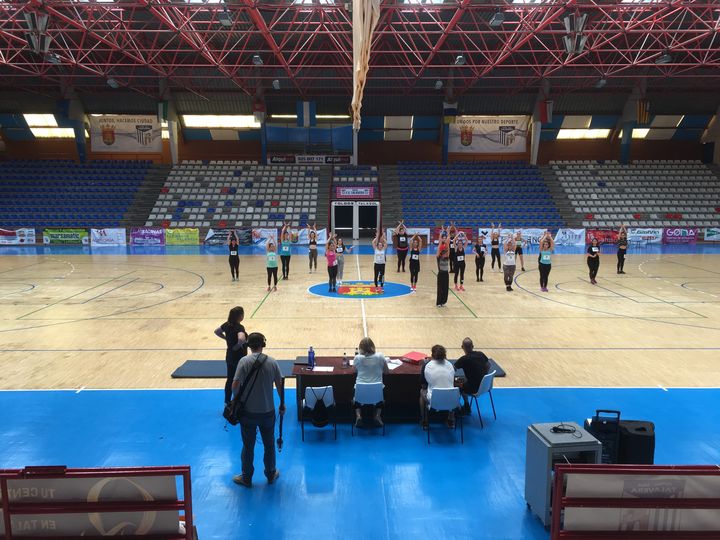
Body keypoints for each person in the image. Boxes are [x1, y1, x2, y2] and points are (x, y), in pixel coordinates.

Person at [231, 332, 285, 488]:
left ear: (249, 345)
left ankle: (247, 477)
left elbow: (235, 386)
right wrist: (282, 404)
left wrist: (238, 400)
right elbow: (280, 386)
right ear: (263, 344)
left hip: (248, 413)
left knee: (248, 446)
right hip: (268, 412)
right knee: (269, 445)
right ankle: (270, 473)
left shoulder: (243, 362)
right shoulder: (273, 362)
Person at [352, 337, 388, 428]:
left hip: (361, 393)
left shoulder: (357, 358)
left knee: (355, 395)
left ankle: (358, 416)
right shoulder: (380, 356)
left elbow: (354, 371)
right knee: (382, 394)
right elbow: (387, 371)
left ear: (361, 348)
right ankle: (377, 416)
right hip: (377, 393)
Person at [214, 306, 247, 405]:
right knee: (240, 379)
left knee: (230, 379)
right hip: (239, 357)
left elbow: (216, 331)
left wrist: (226, 339)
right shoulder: (239, 327)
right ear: (240, 316)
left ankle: (227, 401)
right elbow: (241, 339)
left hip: (229, 356)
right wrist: (237, 346)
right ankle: (239, 400)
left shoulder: (226, 325)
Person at [419, 344, 456, 429]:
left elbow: (423, 385)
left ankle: (424, 421)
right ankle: (451, 420)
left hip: (434, 401)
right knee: (453, 390)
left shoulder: (427, 365)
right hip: (452, 401)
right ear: (445, 355)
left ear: (432, 355)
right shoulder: (450, 365)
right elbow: (452, 382)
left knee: (422, 392)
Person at [454, 338, 491, 415]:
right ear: (473, 346)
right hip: (484, 386)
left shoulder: (463, 359)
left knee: (456, 383)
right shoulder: (481, 354)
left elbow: (452, 370)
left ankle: (457, 408)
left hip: (473, 388)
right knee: (463, 380)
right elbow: (488, 365)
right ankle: (466, 406)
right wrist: (484, 376)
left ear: (462, 347)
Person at [436, 235, 450, 307]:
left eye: (445, 253)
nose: (445, 254)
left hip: (446, 274)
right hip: (441, 274)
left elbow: (448, 247)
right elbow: (439, 248)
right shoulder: (438, 257)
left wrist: (447, 234)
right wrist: (441, 239)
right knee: (440, 288)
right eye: (444, 253)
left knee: (445, 288)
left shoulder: (447, 257)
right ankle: (439, 302)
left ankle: (443, 302)